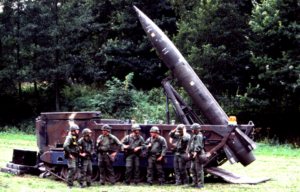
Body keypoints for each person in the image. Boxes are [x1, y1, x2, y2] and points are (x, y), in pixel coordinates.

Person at [188, 123, 205, 188]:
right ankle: (194, 183)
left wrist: (195, 153)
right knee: (193, 169)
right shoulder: (194, 135)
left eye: (192, 129)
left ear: (196, 129)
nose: (192, 130)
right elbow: (191, 144)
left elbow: (198, 145)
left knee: (199, 170)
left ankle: (200, 184)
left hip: (198, 155)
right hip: (193, 154)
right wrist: (189, 152)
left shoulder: (199, 136)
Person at [63, 124, 80, 189]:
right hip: (71, 156)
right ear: (73, 131)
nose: (78, 131)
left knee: (74, 169)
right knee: (72, 168)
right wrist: (69, 154)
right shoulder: (69, 137)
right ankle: (69, 184)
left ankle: (71, 183)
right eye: (77, 130)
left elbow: (74, 145)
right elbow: (65, 145)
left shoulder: (74, 136)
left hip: (75, 155)